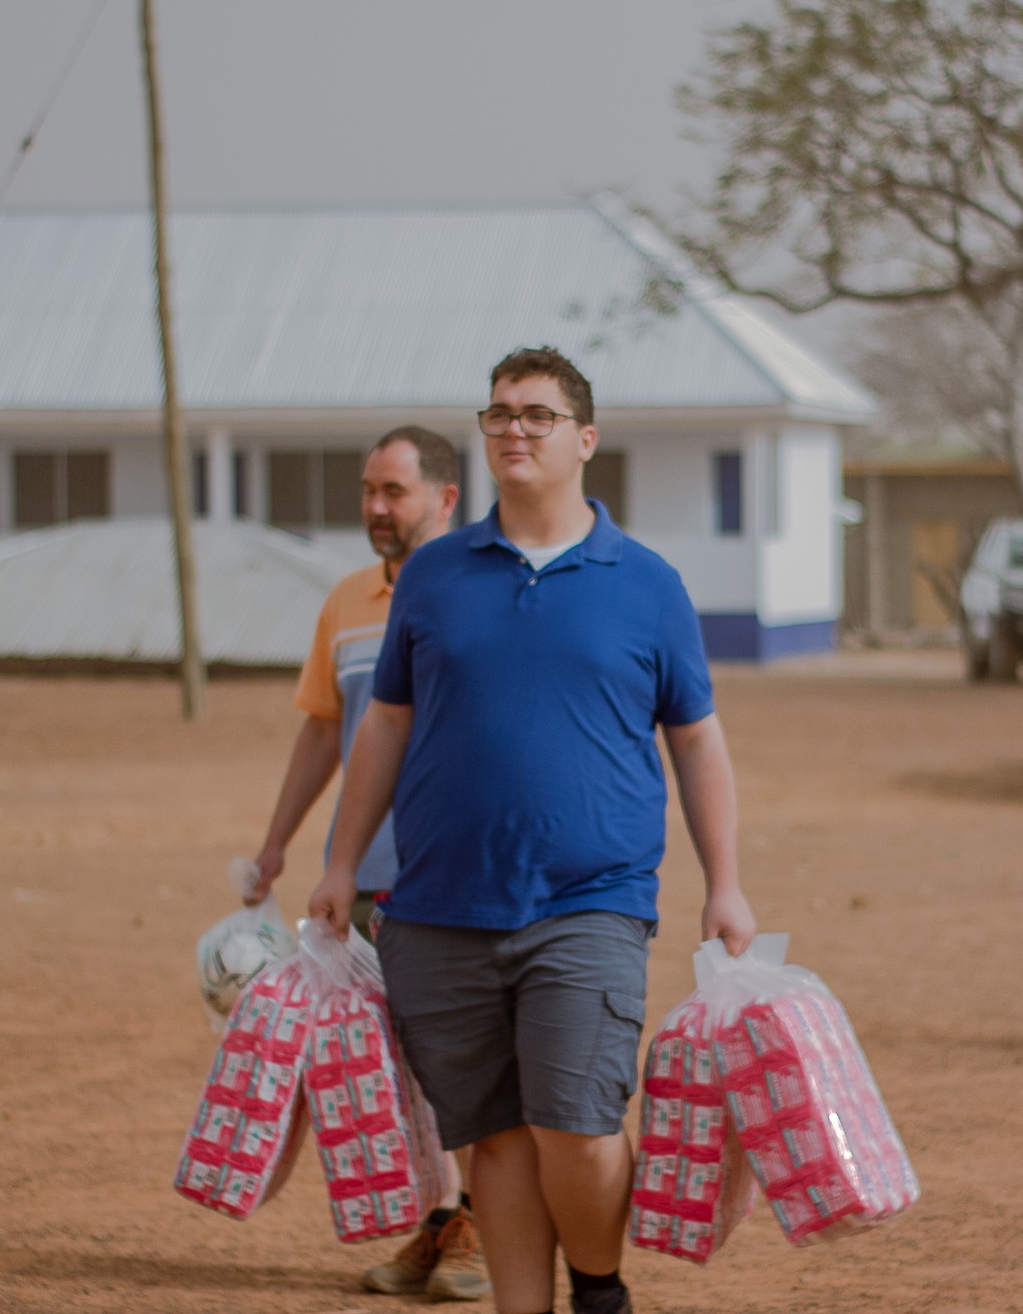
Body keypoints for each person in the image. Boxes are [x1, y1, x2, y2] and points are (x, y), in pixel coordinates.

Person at [307, 346, 757, 1314]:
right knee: (495, 1136)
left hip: (589, 903)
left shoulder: (646, 583)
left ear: (584, 439)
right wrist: (340, 862)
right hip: (434, 909)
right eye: (500, 412)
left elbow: (697, 740)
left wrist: (725, 880)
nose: (514, 427)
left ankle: (597, 1289)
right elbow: (383, 723)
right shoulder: (432, 578)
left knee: (579, 1125)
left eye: (538, 414)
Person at [240, 425, 489, 1301]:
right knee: (397, 1066)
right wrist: (277, 844)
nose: (377, 509)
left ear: (447, 499)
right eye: (368, 491)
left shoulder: (481, 590)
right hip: (367, 874)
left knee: (456, 1057)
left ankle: (478, 1229)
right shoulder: (347, 601)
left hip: (453, 874)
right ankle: (441, 1219)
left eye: (396, 491)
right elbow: (324, 730)